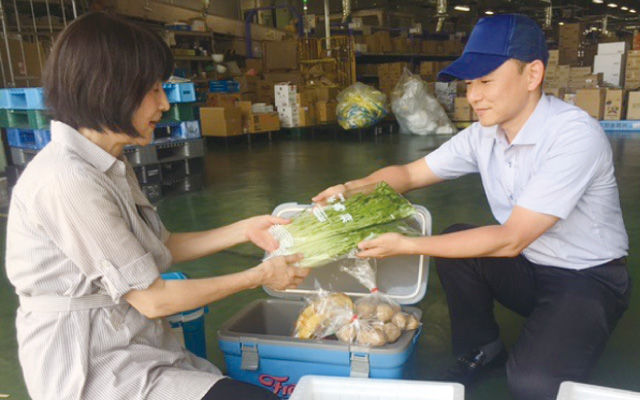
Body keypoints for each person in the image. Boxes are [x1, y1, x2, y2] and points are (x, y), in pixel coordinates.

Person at [314, 14, 630, 400]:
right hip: (530, 267)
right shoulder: (484, 134)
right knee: (457, 243)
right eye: (469, 84)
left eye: (485, 81)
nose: (473, 97)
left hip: (587, 278)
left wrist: (407, 244)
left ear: (532, 75)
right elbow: (410, 175)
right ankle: (483, 350)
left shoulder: (573, 135)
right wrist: (351, 189)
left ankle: (562, 333)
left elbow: (510, 239)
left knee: (533, 384)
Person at [4, 12, 310, 400]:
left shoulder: (108, 159)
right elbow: (154, 299)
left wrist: (243, 229)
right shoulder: (68, 180)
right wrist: (259, 275)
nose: (165, 104)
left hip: (132, 343)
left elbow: (159, 245)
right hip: (92, 365)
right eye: (153, 90)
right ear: (107, 88)